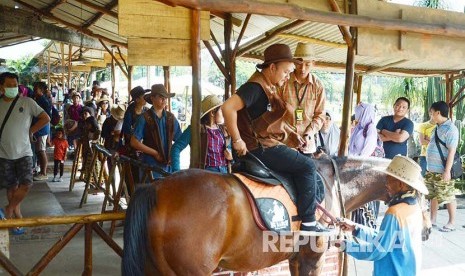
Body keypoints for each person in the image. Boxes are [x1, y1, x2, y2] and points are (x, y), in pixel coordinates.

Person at [222, 44, 330, 235]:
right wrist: (237, 140)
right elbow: (227, 108)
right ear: (272, 68)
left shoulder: (266, 86)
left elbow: (267, 124)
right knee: (307, 166)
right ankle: (308, 223)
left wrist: (293, 136)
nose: (287, 76)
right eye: (286, 72)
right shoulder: (255, 88)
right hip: (259, 147)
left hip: (263, 143)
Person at [336, 156, 428, 276]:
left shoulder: (395, 212)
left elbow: (378, 250)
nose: (386, 184)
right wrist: (356, 229)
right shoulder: (414, 207)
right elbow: (387, 239)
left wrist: (345, 245)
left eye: (389, 179)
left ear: (400, 184)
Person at [0, 72, 50, 234]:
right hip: (4, 153)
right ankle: (17, 219)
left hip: (24, 152)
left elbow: (45, 118)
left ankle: (9, 209)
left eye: (15, 85)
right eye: (9, 85)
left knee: (27, 183)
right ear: (1, 87)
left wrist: (31, 131)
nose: (14, 88)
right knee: (11, 186)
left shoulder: (27, 102)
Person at [278, 42, 326, 154]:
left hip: (307, 144)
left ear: (313, 63)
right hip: (285, 142)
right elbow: (275, 112)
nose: (303, 68)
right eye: (299, 64)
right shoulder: (283, 81)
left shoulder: (318, 86)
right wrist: (290, 133)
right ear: (294, 62)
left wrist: (309, 133)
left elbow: (320, 115)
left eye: (307, 64)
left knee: (308, 169)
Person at [131, 84, 182, 179]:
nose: (164, 100)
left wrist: (173, 154)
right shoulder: (144, 118)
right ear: (152, 98)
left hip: (168, 166)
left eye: (165, 98)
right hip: (150, 166)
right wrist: (155, 153)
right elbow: (134, 142)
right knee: (151, 192)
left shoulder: (171, 118)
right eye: (161, 97)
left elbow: (180, 140)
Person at [171, 95, 232, 173]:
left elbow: (230, 150)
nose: (223, 113)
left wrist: (231, 157)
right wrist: (176, 172)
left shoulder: (223, 130)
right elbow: (176, 148)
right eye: (221, 110)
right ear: (212, 113)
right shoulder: (195, 129)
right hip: (204, 175)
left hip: (224, 172)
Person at [425, 101, 459, 232]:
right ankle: (432, 220)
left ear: (438, 113)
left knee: (448, 196)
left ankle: (452, 222)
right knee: (433, 195)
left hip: (443, 170)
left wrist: (447, 171)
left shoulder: (451, 129)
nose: (431, 116)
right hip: (432, 169)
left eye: (432, 113)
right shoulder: (437, 127)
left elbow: (452, 151)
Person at [348, 102, 382, 229]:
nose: (356, 113)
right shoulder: (359, 127)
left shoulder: (370, 128)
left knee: (365, 200)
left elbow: (367, 150)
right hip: (355, 165)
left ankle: (365, 227)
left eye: (358, 111)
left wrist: (358, 164)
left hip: (364, 168)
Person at [32, 82, 52, 181]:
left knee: (41, 150)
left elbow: (47, 117)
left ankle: (44, 173)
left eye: (36, 89)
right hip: (39, 129)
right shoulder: (39, 99)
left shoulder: (43, 100)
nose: (34, 90)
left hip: (42, 129)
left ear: (41, 90)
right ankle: (41, 171)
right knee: (39, 150)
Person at [416, 110, 435, 177]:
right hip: (425, 155)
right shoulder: (423, 126)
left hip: (437, 156)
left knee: (436, 179)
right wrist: (434, 141)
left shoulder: (441, 126)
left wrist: (428, 139)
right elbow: (422, 142)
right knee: (422, 177)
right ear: (430, 113)